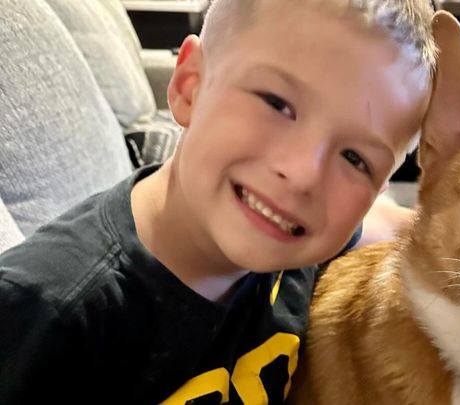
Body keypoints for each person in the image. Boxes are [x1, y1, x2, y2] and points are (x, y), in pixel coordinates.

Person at [0, 0, 436, 403]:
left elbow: (402, 227)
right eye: (277, 103)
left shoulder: (294, 233)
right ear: (189, 86)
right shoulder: (44, 314)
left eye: (355, 159)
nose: (303, 174)